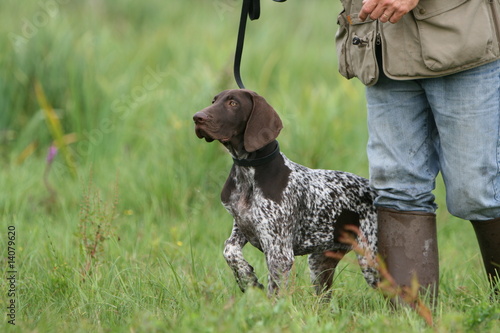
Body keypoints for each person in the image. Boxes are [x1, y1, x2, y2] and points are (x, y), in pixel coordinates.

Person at [336, 0, 500, 303]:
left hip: (461, 36)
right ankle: (411, 321)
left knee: (478, 191)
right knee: (396, 188)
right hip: (379, 42)